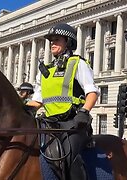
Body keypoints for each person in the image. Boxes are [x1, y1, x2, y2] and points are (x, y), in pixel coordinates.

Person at [27, 23, 99, 180]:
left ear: (68, 42)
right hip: (49, 122)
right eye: (51, 40)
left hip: (73, 123)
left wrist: (84, 112)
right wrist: (22, 109)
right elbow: (37, 101)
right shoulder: (45, 71)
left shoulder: (77, 63)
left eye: (57, 39)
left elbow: (92, 92)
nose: (52, 43)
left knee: (69, 157)